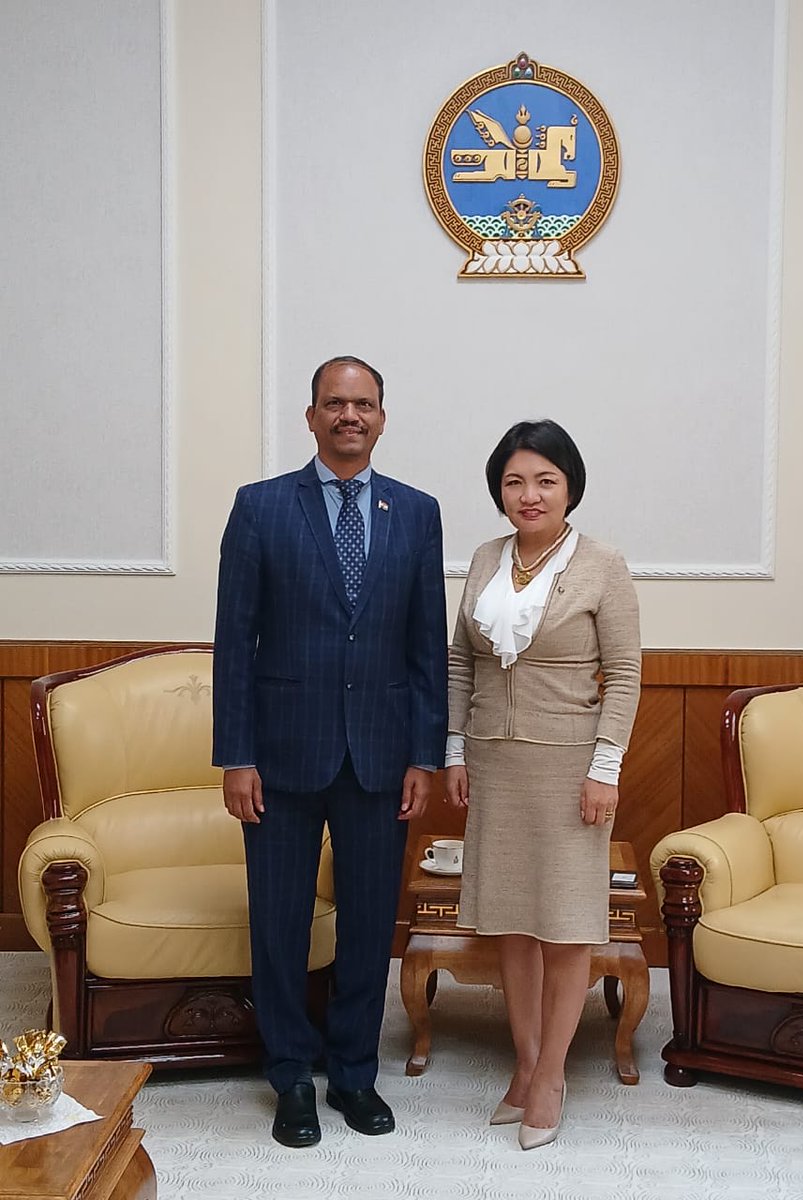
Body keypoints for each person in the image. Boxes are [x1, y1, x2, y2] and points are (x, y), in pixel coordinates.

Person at [213, 355, 448, 1148]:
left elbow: (426, 648)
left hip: (382, 756)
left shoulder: (417, 512)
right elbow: (235, 641)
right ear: (310, 416)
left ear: (383, 418)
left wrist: (426, 755)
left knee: (368, 922)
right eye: (335, 403)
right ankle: (290, 1078)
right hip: (278, 757)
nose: (350, 416)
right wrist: (234, 756)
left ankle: (352, 1073)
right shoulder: (260, 508)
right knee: (278, 922)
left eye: (365, 404)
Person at [444, 419, 641, 1150]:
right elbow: (462, 660)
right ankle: (524, 1065)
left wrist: (604, 771)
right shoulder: (485, 557)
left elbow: (623, 674)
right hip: (494, 762)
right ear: (500, 490)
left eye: (545, 480)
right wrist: (456, 752)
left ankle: (553, 1076)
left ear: (570, 488)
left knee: (564, 925)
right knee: (511, 923)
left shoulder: (602, 564)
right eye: (515, 481)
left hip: (569, 767)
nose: (529, 494)